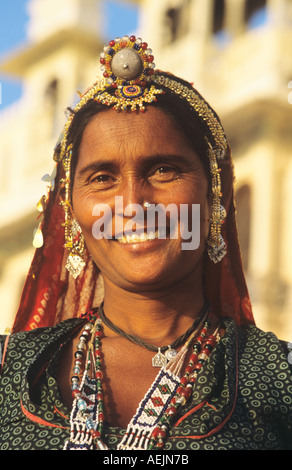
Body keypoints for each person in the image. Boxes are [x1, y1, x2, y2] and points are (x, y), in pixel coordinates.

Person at [0, 35, 291, 451]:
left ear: (217, 195)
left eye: (164, 170)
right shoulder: (11, 371)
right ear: (70, 208)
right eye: (102, 178)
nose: (133, 205)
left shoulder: (278, 379)